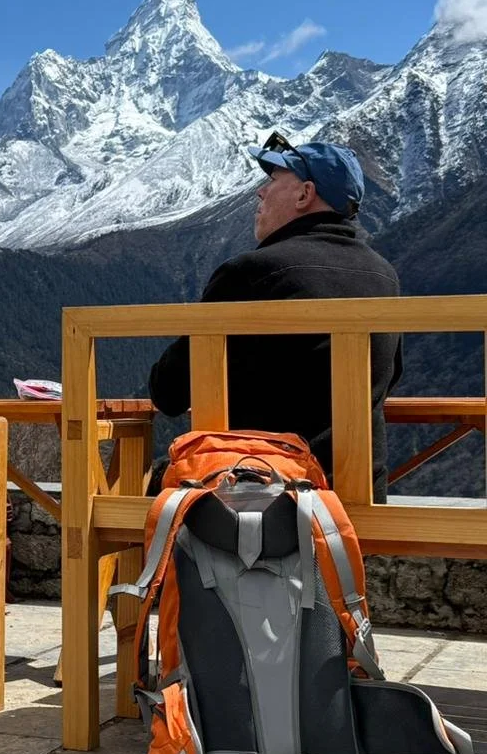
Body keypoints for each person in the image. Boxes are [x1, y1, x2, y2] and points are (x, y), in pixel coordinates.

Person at [148, 134, 402, 500]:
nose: (260, 192)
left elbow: (169, 392)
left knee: (153, 489)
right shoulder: (384, 276)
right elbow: (389, 378)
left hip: (260, 496)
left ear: (304, 195)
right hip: (359, 495)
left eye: (274, 180)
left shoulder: (252, 273)